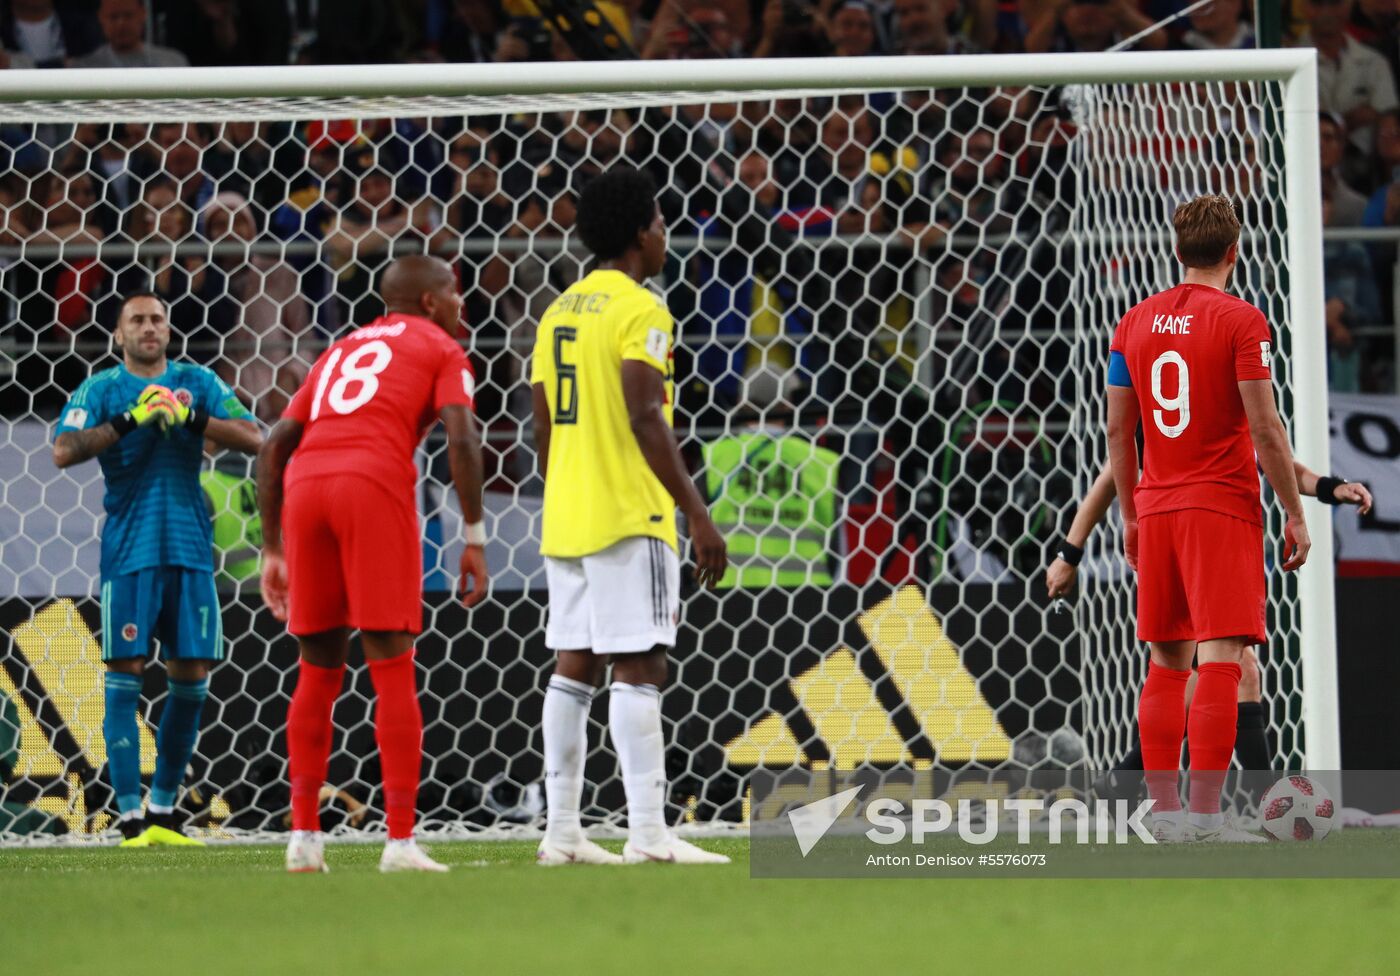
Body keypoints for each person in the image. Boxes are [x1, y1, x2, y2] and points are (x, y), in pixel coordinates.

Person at [256, 254, 487, 875]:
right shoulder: (441, 346)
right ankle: (401, 842)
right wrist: (474, 534)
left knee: (317, 669)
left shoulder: (340, 348)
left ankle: (303, 838)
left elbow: (277, 440)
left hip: (306, 490)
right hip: (372, 485)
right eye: (455, 292)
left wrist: (272, 546)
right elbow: (462, 435)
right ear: (433, 302)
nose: (462, 304)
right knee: (391, 666)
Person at [530, 167, 729, 866]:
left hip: (569, 513)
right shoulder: (643, 309)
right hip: (626, 511)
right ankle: (648, 832)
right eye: (663, 222)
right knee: (640, 664)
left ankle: (562, 833)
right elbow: (647, 414)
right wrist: (697, 515)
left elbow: (544, 423)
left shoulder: (560, 309)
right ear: (642, 233)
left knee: (573, 668)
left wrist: (565, 492)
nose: (666, 234)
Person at [1106, 194, 1311, 843]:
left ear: (1176, 250)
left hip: (1157, 507)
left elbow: (1118, 430)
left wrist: (1131, 513)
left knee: (1167, 664)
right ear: (1234, 251)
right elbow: (1265, 428)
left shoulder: (1131, 323)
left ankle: (1162, 814)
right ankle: (1205, 817)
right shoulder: (1243, 322)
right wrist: (1295, 513)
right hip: (1220, 506)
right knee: (1221, 658)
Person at [51, 292, 262, 846]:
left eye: (158, 320)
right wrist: (133, 418)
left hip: (192, 549)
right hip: (130, 553)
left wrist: (191, 417)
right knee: (125, 678)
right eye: (137, 321)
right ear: (119, 335)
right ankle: (129, 818)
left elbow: (257, 436)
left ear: (169, 330)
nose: (150, 328)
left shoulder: (199, 380)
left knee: (192, 680)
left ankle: (164, 812)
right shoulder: (102, 388)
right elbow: (63, 450)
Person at [71, 0, 190, 68]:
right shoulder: (84, 68)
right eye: (113, 17)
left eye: (128, 15)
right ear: (101, 18)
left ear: (143, 14)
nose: (121, 24)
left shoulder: (173, 62)